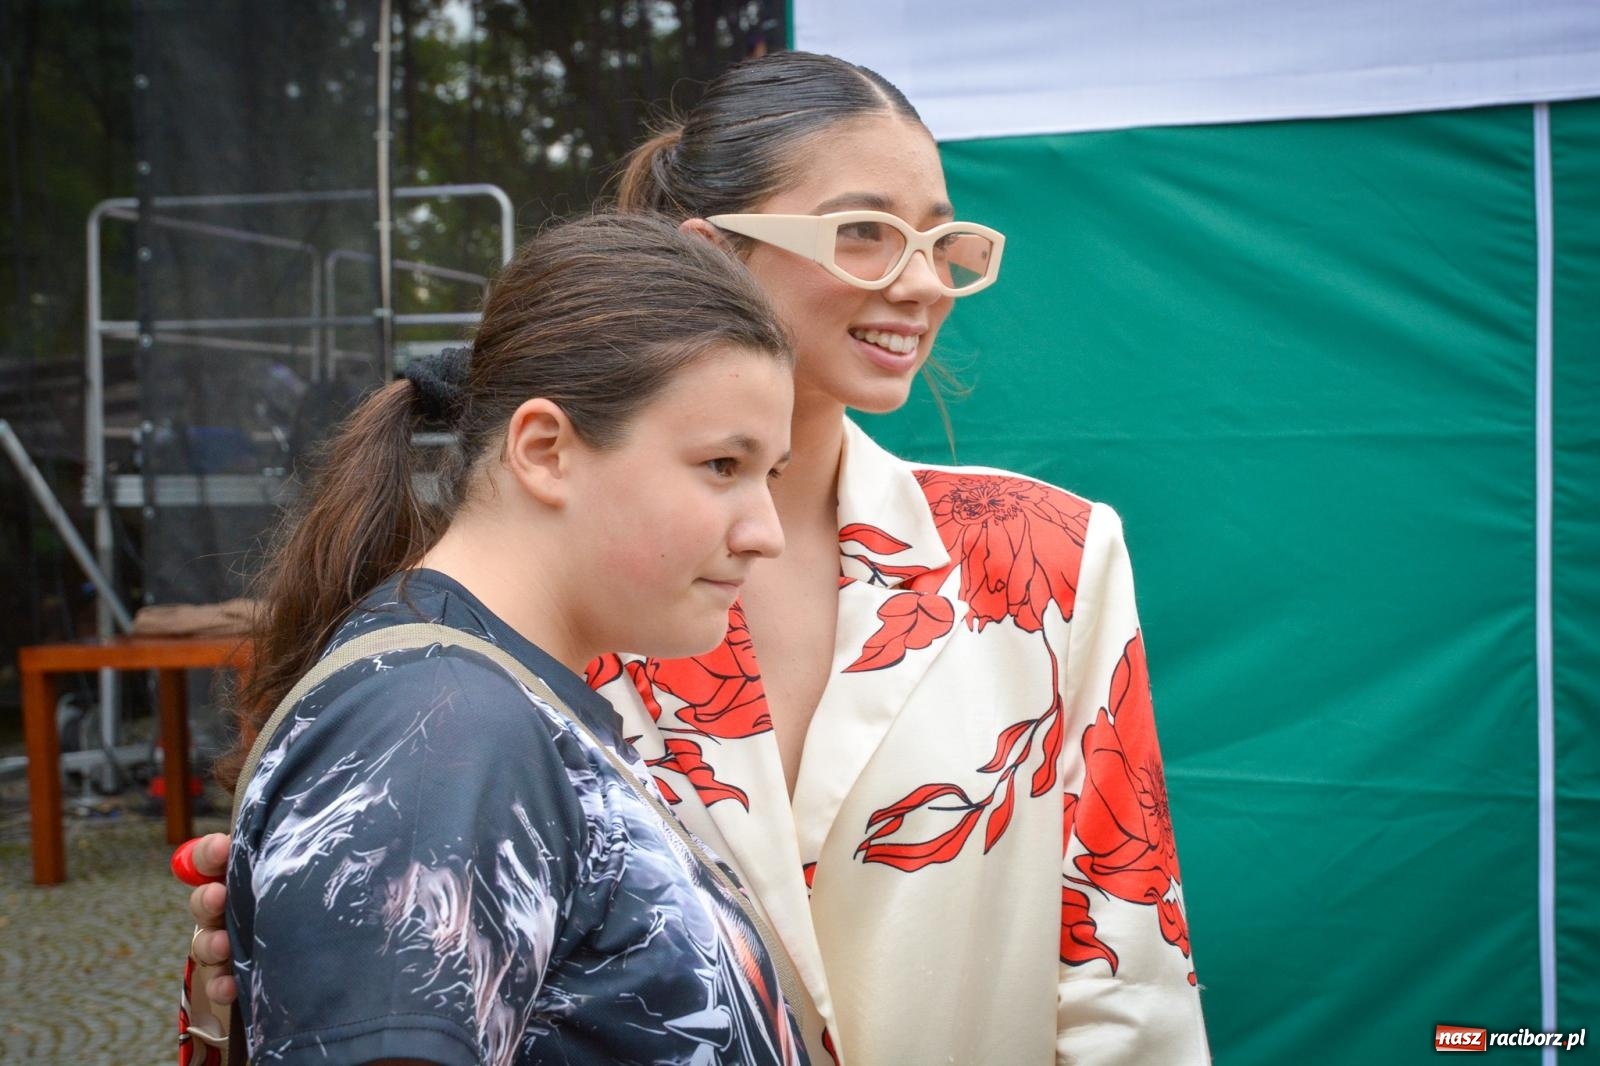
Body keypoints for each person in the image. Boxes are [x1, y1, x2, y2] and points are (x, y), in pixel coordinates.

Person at [181, 51, 1209, 1064]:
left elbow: (1124, 970)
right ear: (705, 251)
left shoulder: (1046, 559)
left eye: (943, 244)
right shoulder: (546, 604)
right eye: (865, 231)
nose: (919, 282)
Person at [191, 212, 807, 1066]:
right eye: (721, 467)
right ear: (546, 450)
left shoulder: (477, 705)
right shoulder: (437, 729)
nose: (765, 531)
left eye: (769, 474)